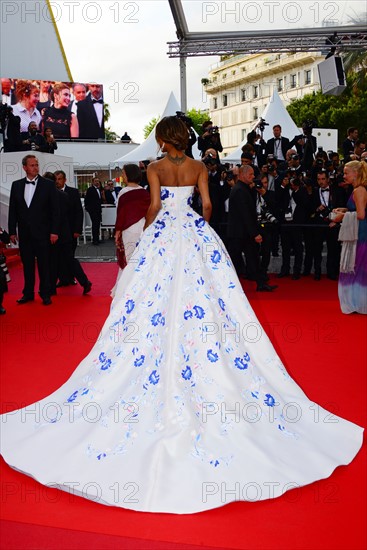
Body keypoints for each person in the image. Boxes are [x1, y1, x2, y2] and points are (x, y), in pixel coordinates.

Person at [0, 117, 363, 515]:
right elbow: (207, 206)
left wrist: (155, 233)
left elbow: (154, 207)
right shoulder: (199, 168)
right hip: (193, 234)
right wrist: (196, 230)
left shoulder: (155, 169)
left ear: (161, 139)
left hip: (164, 236)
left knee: (147, 300)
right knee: (213, 301)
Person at [8, 155, 60, 305]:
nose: (35, 167)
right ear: (24, 167)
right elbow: (13, 210)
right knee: (28, 265)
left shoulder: (48, 185)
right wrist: (12, 231)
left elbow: (55, 211)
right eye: (32, 165)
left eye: (36, 165)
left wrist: (54, 231)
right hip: (25, 234)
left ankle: (45, 293)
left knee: (44, 265)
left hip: (44, 233)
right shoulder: (16, 185)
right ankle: (28, 293)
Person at [227, 164, 277, 291]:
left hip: (244, 233)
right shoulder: (239, 190)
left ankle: (261, 284)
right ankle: (227, 285)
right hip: (239, 233)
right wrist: (255, 233)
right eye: (250, 174)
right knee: (233, 260)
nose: (253, 177)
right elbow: (245, 215)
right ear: (243, 175)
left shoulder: (243, 188)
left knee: (253, 258)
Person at [333, 160, 367, 314]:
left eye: (347, 173)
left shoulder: (359, 190)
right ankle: (357, 302)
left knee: (356, 268)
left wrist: (342, 216)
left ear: (356, 174)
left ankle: (357, 303)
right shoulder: (359, 189)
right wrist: (345, 210)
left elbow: (361, 215)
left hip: (360, 234)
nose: (344, 176)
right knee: (356, 268)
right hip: (358, 232)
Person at [112, 164, 150, 295]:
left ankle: (126, 290)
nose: (122, 175)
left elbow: (120, 214)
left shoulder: (123, 192)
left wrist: (117, 232)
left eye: (123, 173)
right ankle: (140, 288)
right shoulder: (145, 192)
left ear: (129, 175)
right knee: (140, 258)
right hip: (143, 229)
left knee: (129, 259)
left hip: (128, 230)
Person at [54, 170, 92, 294]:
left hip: (70, 231)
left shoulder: (73, 192)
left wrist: (77, 230)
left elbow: (78, 212)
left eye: (60, 179)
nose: (57, 182)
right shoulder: (51, 194)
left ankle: (75, 279)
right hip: (56, 233)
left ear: (64, 180)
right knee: (59, 258)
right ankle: (64, 279)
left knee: (69, 257)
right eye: (56, 179)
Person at [84, 177, 102, 245]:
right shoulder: (90, 189)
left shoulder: (99, 189)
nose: (97, 182)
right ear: (92, 182)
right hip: (93, 210)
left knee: (97, 224)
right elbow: (87, 199)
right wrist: (88, 208)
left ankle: (97, 238)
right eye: (95, 181)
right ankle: (95, 240)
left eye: (98, 181)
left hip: (98, 210)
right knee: (95, 224)